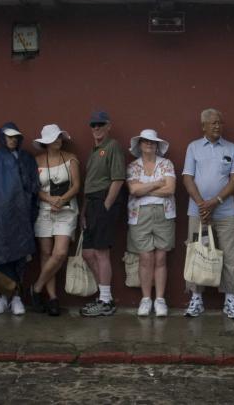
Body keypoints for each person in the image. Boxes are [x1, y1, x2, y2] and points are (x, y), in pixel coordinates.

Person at [182, 108, 234, 319]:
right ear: (204, 126)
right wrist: (202, 204)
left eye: (220, 122)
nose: (218, 126)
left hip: (225, 212)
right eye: (213, 123)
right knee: (197, 253)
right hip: (198, 212)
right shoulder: (193, 147)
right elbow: (187, 178)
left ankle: (230, 299)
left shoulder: (231, 148)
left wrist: (214, 202)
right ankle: (196, 298)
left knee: (229, 255)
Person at [0, 122, 39, 316]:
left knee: (19, 254)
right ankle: (2, 296)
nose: (12, 140)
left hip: (20, 214)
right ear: (2, 137)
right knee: (0, 254)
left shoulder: (26, 158)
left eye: (15, 137)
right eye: (9, 136)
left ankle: (17, 296)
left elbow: (33, 185)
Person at [79, 110, 126, 317]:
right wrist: (83, 212)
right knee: (88, 253)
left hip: (103, 201)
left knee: (101, 252)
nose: (96, 128)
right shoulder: (93, 151)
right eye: (93, 125)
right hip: (90, 204)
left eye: (100, 124)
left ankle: (106, 301)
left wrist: (107, 205)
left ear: (108, 126)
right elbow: (88, 185)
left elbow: (118, 179)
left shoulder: (113, 146)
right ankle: (103, 296)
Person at [30, 124, 81, 317]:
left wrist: (62, 199)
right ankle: (52, 298)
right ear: (46, 143)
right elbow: (35, 188)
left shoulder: (70, 159)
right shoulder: (37, 161)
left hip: (66, 210)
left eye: (60, 137)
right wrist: (50, 199)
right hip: (44, 211)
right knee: (45, 253)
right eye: (54, 138)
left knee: (59, 253)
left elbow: (77, 186)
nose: (59, 140)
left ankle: (36, 288)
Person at [126, 129, 176, 318]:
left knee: (161, 258)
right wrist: (156, 184)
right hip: (139, 215)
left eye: (152, 142)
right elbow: (133, 190)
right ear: (139, 145)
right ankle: (146, 299)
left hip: (164, 213)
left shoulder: (166, 164)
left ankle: (160, 299)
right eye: (146, 142)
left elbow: (170, 188)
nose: (149, 145)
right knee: (146, 258)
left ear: (157, 146)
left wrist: (144, 189)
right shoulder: (132, 166)